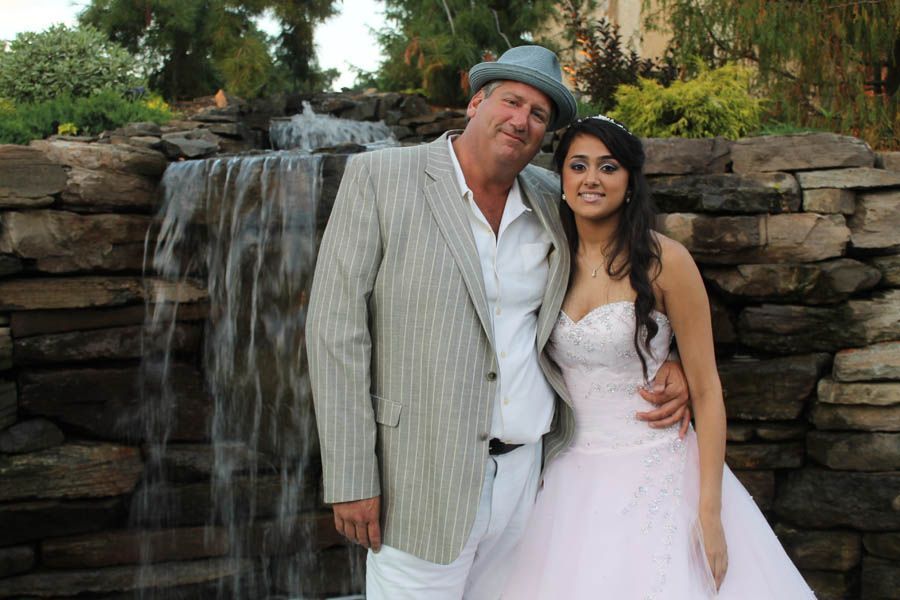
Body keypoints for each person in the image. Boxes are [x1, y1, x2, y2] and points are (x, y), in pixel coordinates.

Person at [305, 46, 690, 599]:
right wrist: (350, 476)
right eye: (513, 101)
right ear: (476, 103)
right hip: (418, 478)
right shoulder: (379, 178)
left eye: (539, 115)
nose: (522, 120)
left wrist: (662, 354)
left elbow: (618, 277)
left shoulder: (552, 198)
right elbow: (335, 332)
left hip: (532, 478)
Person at [501, 115, 816, 599]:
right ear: (560, 180)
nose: (591, 179)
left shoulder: (665, 260)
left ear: (629, 182)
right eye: (578, 165)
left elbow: (708, 389)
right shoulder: (544, 259)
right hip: (567, 474)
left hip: (658, 469)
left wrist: (709, 511)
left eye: (608, 167)